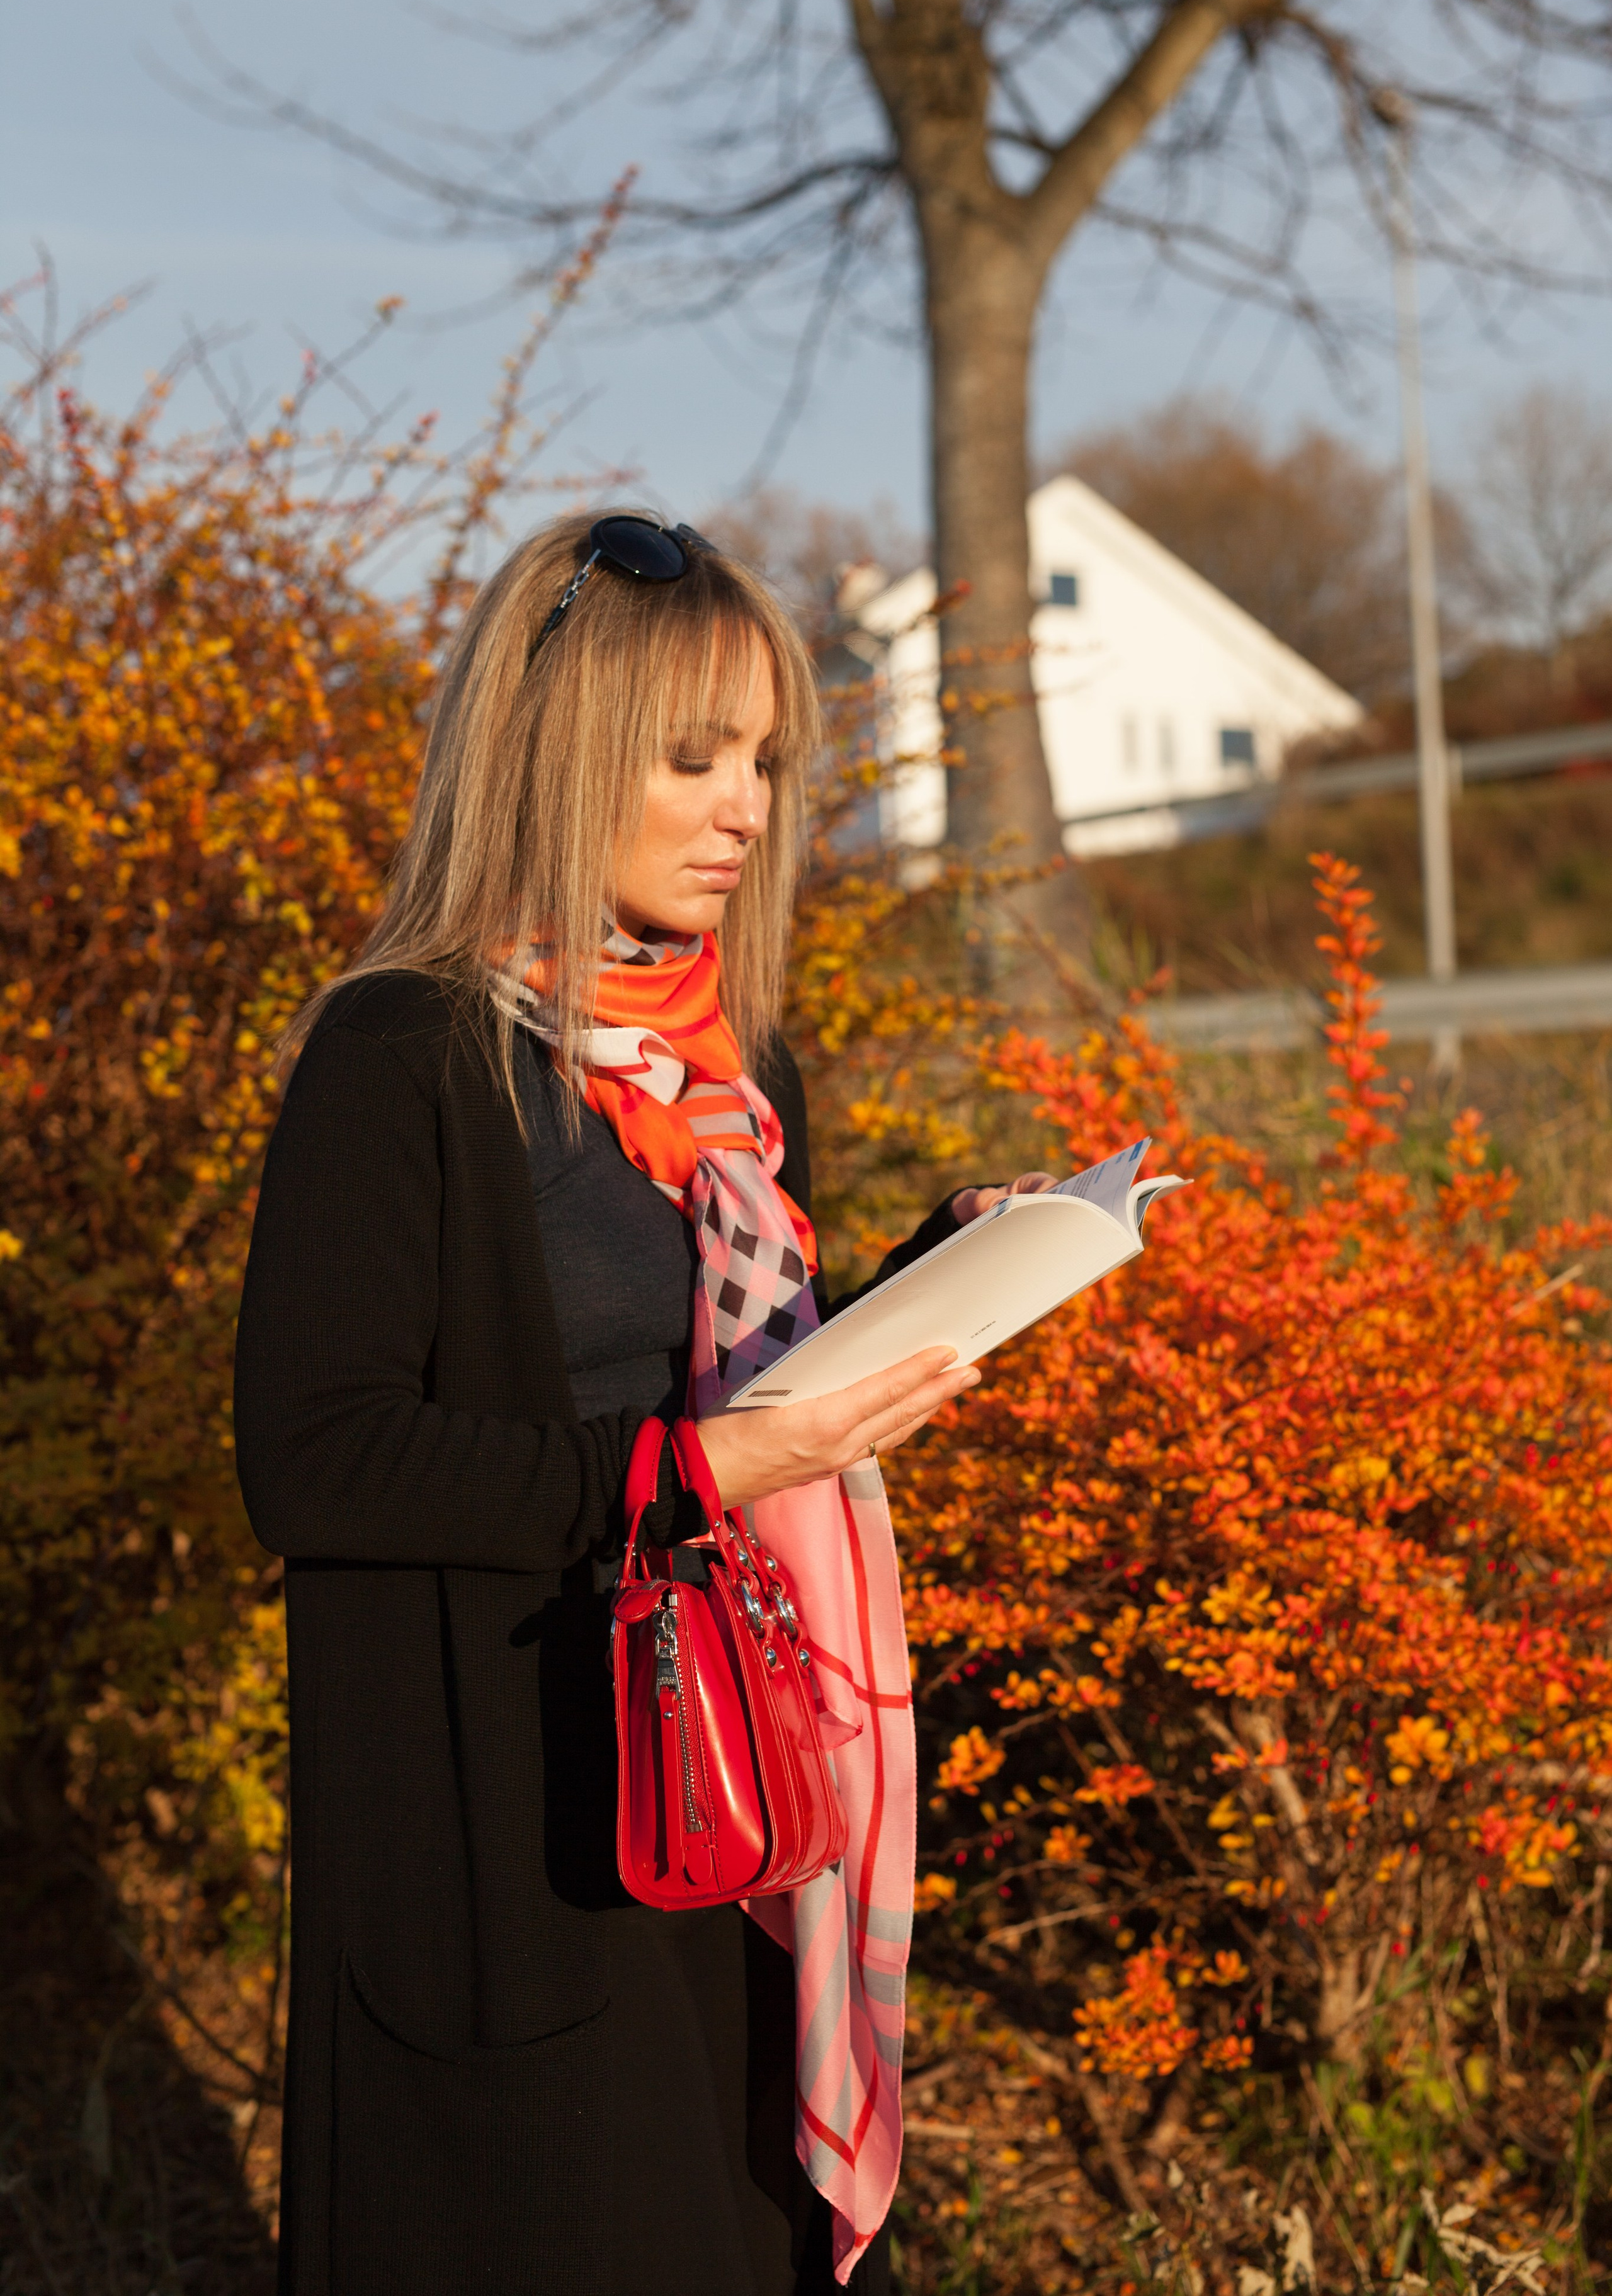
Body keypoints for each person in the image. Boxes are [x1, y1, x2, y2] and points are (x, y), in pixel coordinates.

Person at [234, 512, 1055, 2296]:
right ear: (559, 753)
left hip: (748, 1797)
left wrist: (940, 1279)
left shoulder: (735, 1075)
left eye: (764, 758)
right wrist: (703, 1467)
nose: (750, 806)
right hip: (522, 1843)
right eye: (696, 758)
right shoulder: (406, 1057)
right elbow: (315, 1462)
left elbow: (734, 1375)